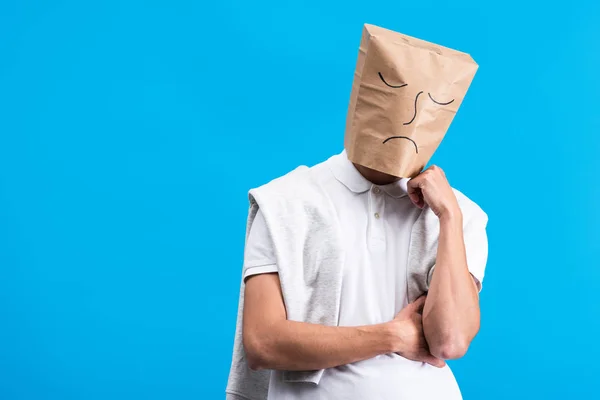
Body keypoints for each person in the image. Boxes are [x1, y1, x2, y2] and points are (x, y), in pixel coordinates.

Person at [227, 24, 488, 400]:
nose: (412, 113)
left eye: (435, 104)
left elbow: (449, 341)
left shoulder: (460, 213)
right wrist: (390, 336)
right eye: (393, 90)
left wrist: (449, 217)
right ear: (363, 95)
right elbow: (263, 343)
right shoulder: (286, 201)